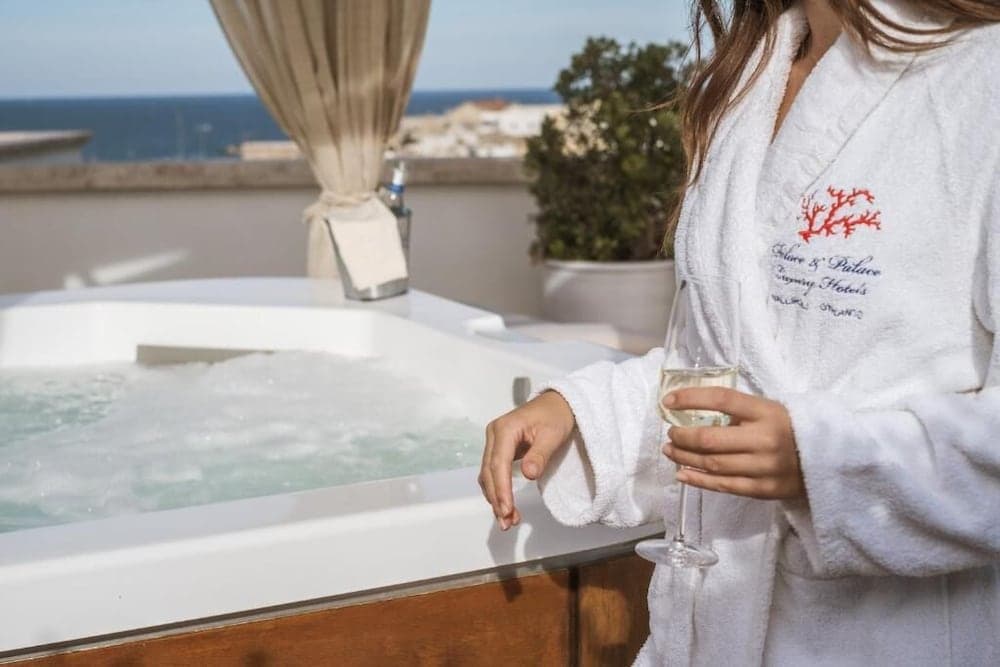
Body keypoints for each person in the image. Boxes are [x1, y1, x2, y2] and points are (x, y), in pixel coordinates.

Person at [479, 0, 1000, 664]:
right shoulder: (751, 79)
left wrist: (825, 461)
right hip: (704, 634)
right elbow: (725, 359)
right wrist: (585, 413)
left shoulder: (982, 81)